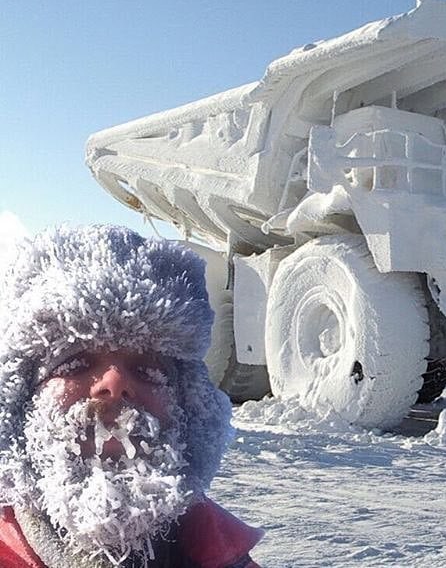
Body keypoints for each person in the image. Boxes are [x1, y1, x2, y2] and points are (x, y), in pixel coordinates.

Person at [0, 225, 263, 568]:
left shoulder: (223, 554)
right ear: (21, 402)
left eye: (147, 369)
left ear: (188, 407)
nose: (114, 382)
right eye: (75, 363)